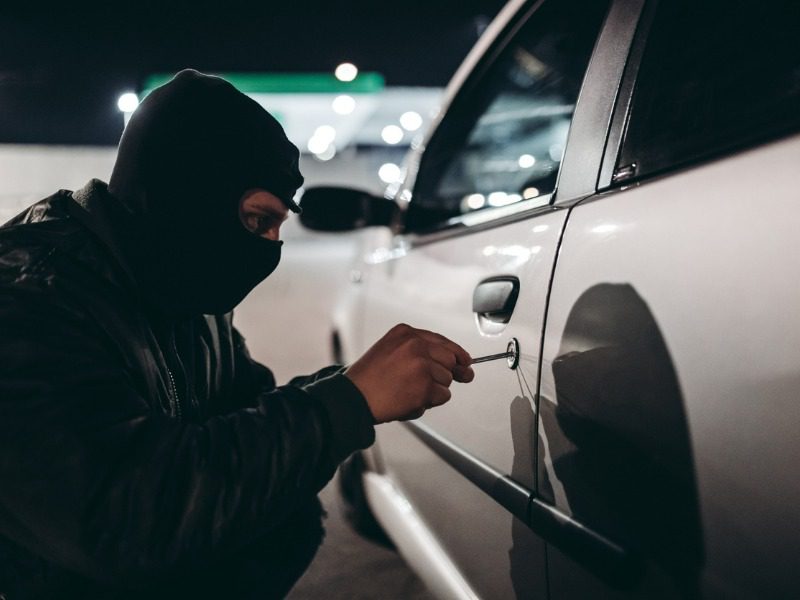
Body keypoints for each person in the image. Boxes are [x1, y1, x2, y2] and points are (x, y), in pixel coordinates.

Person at [0, 69, 474, 599]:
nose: (269, 248)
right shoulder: (30, 294)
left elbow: (246, 423)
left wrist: (348, 383)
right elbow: (119, 515)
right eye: (256, 221)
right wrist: (349, 401)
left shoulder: (180, 289)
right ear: (188, 194)